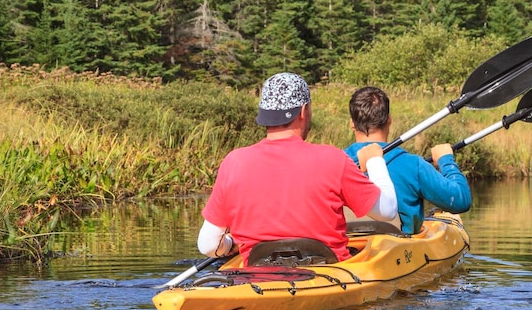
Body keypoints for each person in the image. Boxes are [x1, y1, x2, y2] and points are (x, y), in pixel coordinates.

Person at [198, 72, 397, 264]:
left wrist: (230, 243)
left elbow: (208, 245)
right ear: (303, 111)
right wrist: (374, 160)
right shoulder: (333, 158)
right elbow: (387, 211)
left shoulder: (234, 162)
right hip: (328, 275)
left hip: (257, 279)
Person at [345, 86, 471, 235]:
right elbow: (460, 201)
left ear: (352, 123)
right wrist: (446, 161)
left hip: (348, 252)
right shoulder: (413, 165)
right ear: (389, 120)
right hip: (401, 250)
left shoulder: (332, 164)